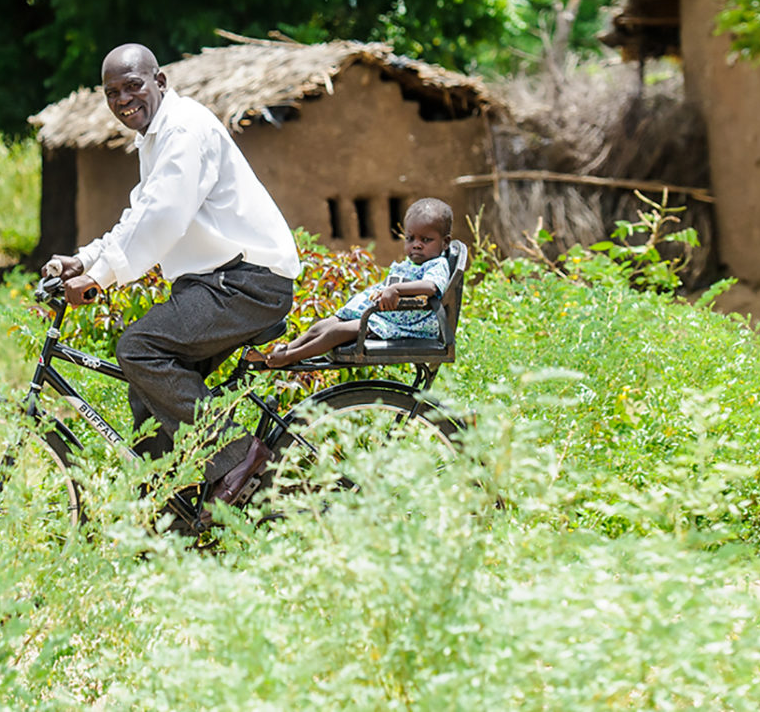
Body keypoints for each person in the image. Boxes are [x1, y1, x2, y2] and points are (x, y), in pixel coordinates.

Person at [41, 43, 302, 519]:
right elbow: (139, 214)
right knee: (148, 389)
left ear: (160, 82)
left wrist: (100, 277)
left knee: (138, 349)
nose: (123, 99)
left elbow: (162, 218)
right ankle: (172, 516)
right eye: (112, 92)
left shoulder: (184, 130)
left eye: (133, 86)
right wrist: (83, 260)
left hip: (248, 282)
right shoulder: (158, 137)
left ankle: (238, 457)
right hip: (218, 282)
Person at [253, 197, 453, 368]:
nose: (416, 245)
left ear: (445, 242)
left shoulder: (436, 264)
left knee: (337, 332)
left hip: (403, 326)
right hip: (386, 317)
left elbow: (431, 287)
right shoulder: (412, 264)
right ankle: (286, 349)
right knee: (322, 326)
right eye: (410, 238)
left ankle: (290, 357)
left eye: (426, 240)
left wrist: (395, 289)